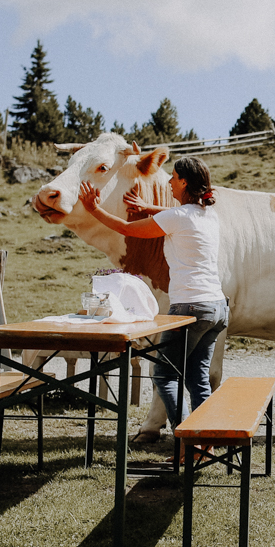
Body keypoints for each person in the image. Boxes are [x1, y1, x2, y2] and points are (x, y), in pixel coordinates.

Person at [77, 156, 226, 443]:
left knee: (163, 376)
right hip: (217, 308)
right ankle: (202, 443)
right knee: (197, 379)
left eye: (173, 177)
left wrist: (93, 208)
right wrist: (148, 208)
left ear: (184, 182)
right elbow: (178, 215)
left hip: (189, 308)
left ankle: (186, 441)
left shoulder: (177, 218)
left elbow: (127, 229)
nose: (169, 181)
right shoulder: (208, 215)